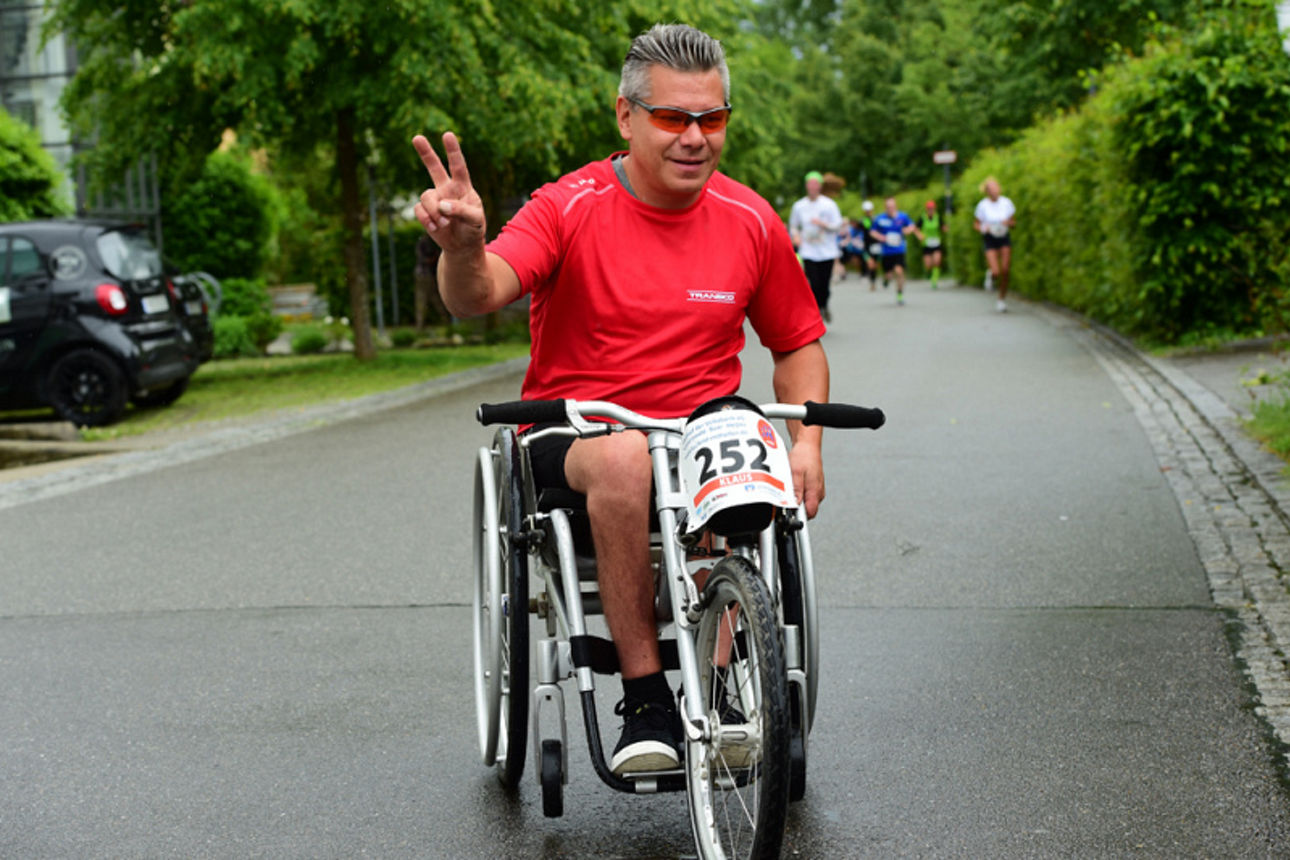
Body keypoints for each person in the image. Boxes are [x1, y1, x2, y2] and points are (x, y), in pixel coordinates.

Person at [412, 23, 829, 777]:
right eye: (673, 117)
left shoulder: (750, 219)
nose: (695, 137)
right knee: (626, 455)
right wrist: (464, 247)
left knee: (740, 439)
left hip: (696, 434)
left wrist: (807, 444)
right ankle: (645, 699)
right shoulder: (567, 205)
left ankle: (722, 683)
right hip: (574, 434)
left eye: (712, 118)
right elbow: (480, 292)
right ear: (626, 117)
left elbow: (797, 344)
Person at [788, 170, 843, 322]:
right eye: (810, 184)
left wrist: (823, 224)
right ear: (806, 186)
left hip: (827, 251)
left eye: (815, 184)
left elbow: (837, 225)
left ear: (820, 186)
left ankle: (824, 305)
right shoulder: (799, 206)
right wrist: (796, 236)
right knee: (814, 283)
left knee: (824, 284)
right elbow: (793, 226)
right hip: (808, 250)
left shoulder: (829, 205)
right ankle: (817, 312)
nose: (812, 187)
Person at [973, 177, 1016, 312]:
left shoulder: (1007, 203)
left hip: (1003, 237)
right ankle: (991, 275)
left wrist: (1008, 223)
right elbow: (976, 224)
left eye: (996, 188)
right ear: (987, 191)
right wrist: (983, 228)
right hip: (990, 238)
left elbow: (1013, 222)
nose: (995, 191)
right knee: (996, 271)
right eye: (991, 189)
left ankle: (1001, 300)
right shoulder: (982, 205)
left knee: (1005, 270)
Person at [869, 197, 920, 306]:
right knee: (889, 275)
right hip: (886, 252)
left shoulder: (902, 217)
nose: (890, 209)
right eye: (888, 207)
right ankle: (886, 279)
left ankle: (900, 294)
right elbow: (872, 232)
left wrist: (907, 230)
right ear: (885, 208)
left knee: (899, 271)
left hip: (899, 250)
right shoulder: (880, 219)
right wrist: (881, 237)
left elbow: (912, 226)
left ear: (895, 206)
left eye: (892, 207)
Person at [916, 200, 945, 290]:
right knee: (928, 265)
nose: (931, 211)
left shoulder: (938, 217)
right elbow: (915, 228)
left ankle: (934, 280)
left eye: (932, 209)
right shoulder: (922, 218)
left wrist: (945, 228)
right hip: (926, 244)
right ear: (926, 209)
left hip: (936, 244)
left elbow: (943, 227)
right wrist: (919, 235)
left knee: (937, 261)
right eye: (929, 209)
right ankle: (930, 273)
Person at [859, 199, 881, 291]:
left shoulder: (877, 219)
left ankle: (873, 280)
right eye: (866, 210)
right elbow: (868, 228)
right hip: (867, 246)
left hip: (876, 245)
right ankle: (872, 282)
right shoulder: (863, 220)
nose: (868, 212)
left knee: (875, 265)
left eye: (869, 210)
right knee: (870, 264)